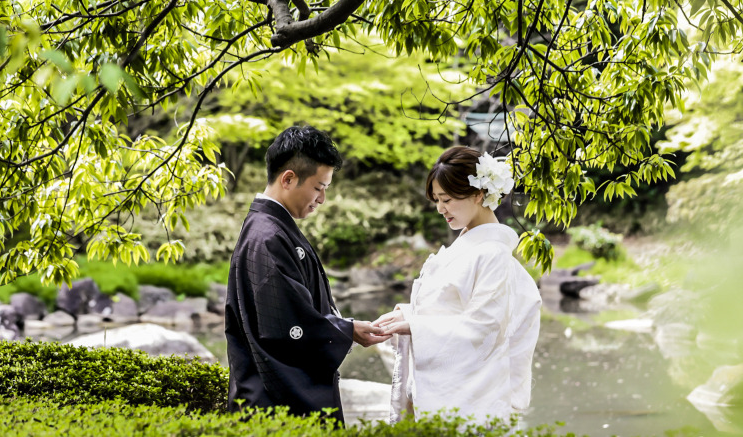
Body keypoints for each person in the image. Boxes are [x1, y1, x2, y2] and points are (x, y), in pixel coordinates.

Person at [225, 125, 388, 425]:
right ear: (288, 178)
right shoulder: (267, 236)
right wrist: (346, 330)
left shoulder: (273, 228)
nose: (322, 199)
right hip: (271, 405)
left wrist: (343, 328)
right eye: (318, 187)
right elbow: (285, 326)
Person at [373, 146, 542, 425]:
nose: (440, 209)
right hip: (446, 391)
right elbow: (449, 307)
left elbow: (485, 327)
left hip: (472, 399)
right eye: (437, 200)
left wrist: (416, 327)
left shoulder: (493, 253)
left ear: (478, 194)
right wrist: (407, 315)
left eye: (447, 199)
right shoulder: (467, 245)